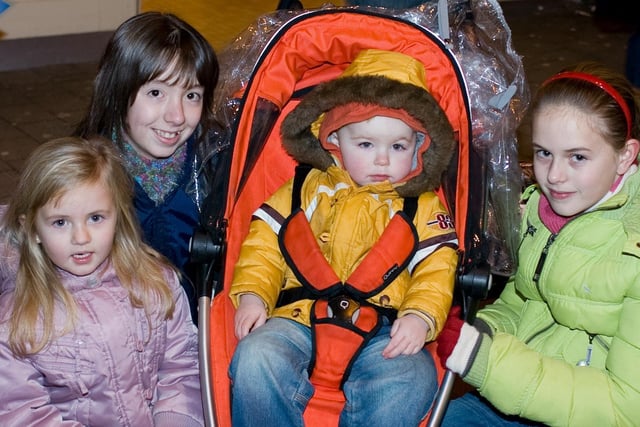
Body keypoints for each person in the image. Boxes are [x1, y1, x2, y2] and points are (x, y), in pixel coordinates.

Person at [228, 49, 459, 426]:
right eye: (366, 145)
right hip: (296, 316)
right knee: (256, 358)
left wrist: (420, 315)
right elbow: (264, 246)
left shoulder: (422, 207)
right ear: (333, 139)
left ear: (420, 147)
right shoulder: (304, 187)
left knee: (413, 378)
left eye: (398, 146)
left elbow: (437, 267)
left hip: (384, 327)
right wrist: (254, 293)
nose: (382, 160)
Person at [437, 61, 640, 426]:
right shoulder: (537, 212)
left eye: (578, 157)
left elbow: (626, 408)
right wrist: (483, 329)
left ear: (625, 156)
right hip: (516, 393)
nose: (554, 177)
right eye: (544, 152)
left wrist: (483, 359)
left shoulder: (633, 248)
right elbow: (523, 303)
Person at [0, 136, 203, 426]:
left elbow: (182, 369)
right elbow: (23, 414)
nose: (81, 238)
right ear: (31, 228)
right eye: (60, 222)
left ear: (117, 217)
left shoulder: (156, 282)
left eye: (95, 218)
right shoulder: (16, 322)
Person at [74, 11, 219, 324]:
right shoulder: (83, 176)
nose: (177, 116)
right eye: (156, 93)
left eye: (192, 95)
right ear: (118, 91)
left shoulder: (215, 166)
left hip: (200, 341)